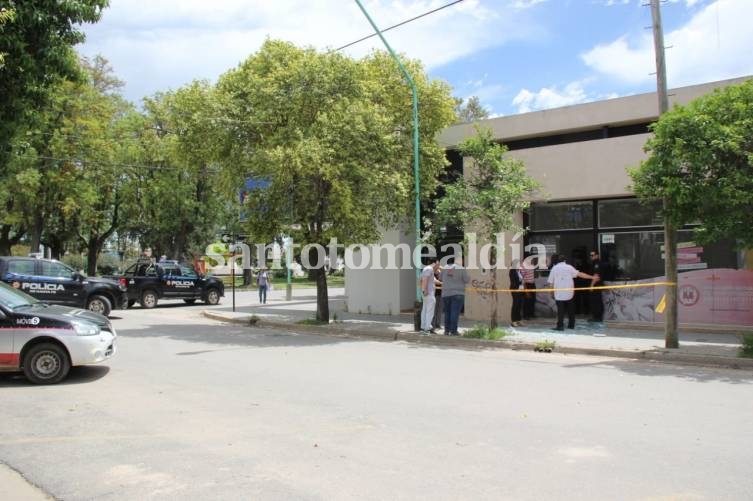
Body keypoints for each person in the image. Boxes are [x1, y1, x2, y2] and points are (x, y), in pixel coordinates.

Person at [546, 254, 596, 331]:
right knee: (571, 310)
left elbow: (551, 283)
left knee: (561, 311)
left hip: (559, 294)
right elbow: (580, 274)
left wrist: (551, 292)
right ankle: (571, 325)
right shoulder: (569, 267)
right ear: (564, 261)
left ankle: (560, 326)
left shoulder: (554, 269)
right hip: (569, 293)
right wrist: (592, 277)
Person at [440, 256, 470, 336]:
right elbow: (467, 280)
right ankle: (453, 331)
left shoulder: (445, 267)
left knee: (447, 312)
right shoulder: (461, 269)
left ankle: (446, 330)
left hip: (446, 293)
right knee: (454, 313)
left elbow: (440, 278)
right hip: (458, 293)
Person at [420, 258, 441, 334]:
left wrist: (423, 290)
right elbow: (425, 279)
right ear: (434, 263)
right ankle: (427, 328)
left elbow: (431, 280)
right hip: (429, 293)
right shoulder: (429, 269)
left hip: (426, 293)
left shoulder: (427, 269)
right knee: (429, 311)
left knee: (425, 310)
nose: (438, 266)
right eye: (438, 264)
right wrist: (425, 290)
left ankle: (423, 327)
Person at [588, 250, 604, 322]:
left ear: (597, 255)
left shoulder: (597, 264)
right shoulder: (594, 263)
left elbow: (596, 275)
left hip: (596, 285)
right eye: (590, 255)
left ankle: (597, 317)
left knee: (596, 301)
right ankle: (596, 316)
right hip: (596, 285)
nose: (591, 257)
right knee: (595, 301)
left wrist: (591, 285)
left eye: (592, 255)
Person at [509, 259, 524, 327]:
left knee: (519, 305)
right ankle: (513, 321)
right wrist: (520, 282)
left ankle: (519, 320)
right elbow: (514, 281)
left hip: (520, 289)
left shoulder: (519, 271)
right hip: (515, 289)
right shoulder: (512, 271)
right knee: (515, 304)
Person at [521, 255, 537, 320]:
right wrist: (526, 289)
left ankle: (531, 314)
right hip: (527, 284)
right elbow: (522, 278)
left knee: (532, 300)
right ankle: (526, 315)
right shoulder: (523, 266)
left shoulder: (532, 265)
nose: (534, 261)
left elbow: (534, 275)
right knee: (527, 300)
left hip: (532, 284)